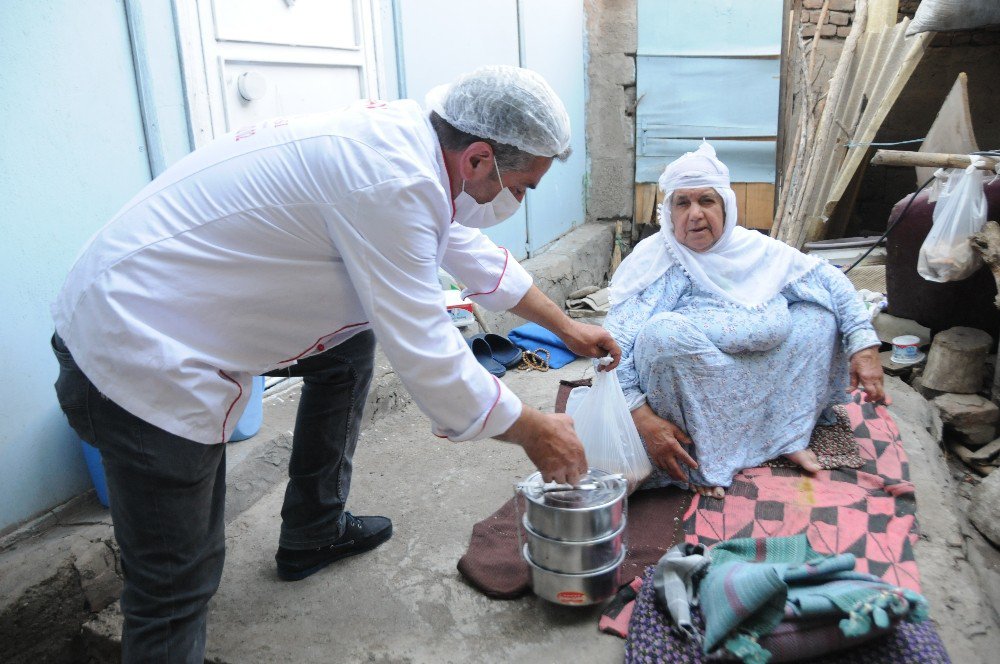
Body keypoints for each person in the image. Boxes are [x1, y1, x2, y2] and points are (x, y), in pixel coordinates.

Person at [50, 65, 620, 662]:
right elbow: (429, 354)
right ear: (478, 159)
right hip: (134, 350)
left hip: (151, 306)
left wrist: (566, 326)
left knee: (347, 347)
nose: (519, 199)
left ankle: (313, 529)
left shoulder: (418, 149)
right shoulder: (393, 181)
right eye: (522, 186)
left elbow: (466, 250)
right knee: (175, 584)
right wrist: (534, 430)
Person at [605, 142, 884, 500]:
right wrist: (639, 415)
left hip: (763, 379)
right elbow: (610, 348)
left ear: (726, 205)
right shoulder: (658, 264)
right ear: (668, 213)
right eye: (682, 203)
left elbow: (830, 281)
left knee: (820, 316)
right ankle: (701, 460)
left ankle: (784, 434)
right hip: (699, 390)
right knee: (661, 337)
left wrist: (863, 344)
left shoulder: (754, 250)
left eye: (706, 201)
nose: (695, 214)